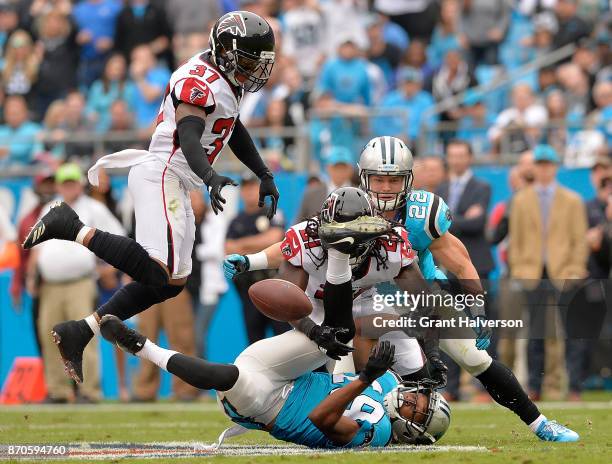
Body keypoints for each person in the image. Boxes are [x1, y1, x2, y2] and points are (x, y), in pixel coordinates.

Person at [225, 137, 580, 442]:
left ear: (409, 182)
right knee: (340, 366)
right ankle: (333, 429)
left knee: (471, 355)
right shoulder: (343, 208)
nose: (385, 189)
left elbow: (458, 263)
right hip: (344, 299)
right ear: (363, 179)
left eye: (394, 181)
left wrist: (475, 308)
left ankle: (539, 423)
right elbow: (296, 245)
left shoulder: (418, 218)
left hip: (410, 288)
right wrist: (253, 260)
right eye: (378, 179)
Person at [23, 11, 280, 386]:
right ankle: (70, 225)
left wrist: (264, 173)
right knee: (157, 270)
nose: (253, 71)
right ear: (225, 52)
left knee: (171, 283)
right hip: (162, 172)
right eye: (247, 61)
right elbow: (190, 136)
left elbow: (232, 125)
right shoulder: (198, 80)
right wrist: (208, 175)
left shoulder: (227, 81)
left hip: (175, 179)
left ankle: (82, 330)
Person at [101, 315, 450, 448]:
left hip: (272, 407)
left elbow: (321, 418)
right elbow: (361, 326)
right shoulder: (390, 383)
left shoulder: (378, 435)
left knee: (227, 375)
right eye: (420, 399)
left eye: (417, 412)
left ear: (410, 433)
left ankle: (141, 347)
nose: (413, 401)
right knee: (339, 330)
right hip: (293, 376)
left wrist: (363, 378)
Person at [30, 163, 125, 403]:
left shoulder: (93, 208)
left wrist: (109, 268)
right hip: (50, 284)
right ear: (59, 185)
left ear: (80, 184)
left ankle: (89, 391)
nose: (69, 187)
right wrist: (32, 276)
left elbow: (119, 237)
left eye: (72, 182)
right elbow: (36, 247)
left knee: (85, 335)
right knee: (49, 334)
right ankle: (58, 391)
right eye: (65, 183)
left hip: (81, 282)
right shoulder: (47, 208)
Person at [509, 144, 589, 402]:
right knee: (536, 335)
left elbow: (580, 240)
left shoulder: (573, 201)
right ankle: (535, 387)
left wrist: (575, 270)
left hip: (564, 273)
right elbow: (516, 240)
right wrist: (520, 269)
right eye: (540, 165)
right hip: (533, 274)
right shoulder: (521, 200)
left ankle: (574, 387)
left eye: (548, 165)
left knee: (571, 333)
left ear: (555, 167)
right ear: (535, 168)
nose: (543, 170)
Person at [226, 174, 287, 344]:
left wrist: (243, 245)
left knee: (283, 341)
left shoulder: (272, 212)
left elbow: (275, 238)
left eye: (254, 187)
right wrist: (259, 243)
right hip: (248, 290)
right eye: (246, 188)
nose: (250, 191)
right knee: (254, 343)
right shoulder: (236, 221)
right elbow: (228, 248)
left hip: (273, 286)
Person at [296, 146, 355, 222]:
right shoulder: (311, 194)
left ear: (351, 169)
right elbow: (298, 224)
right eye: (336, 167)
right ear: (328, 168)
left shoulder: (362, 195)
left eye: (343, 167)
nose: (340, 172)